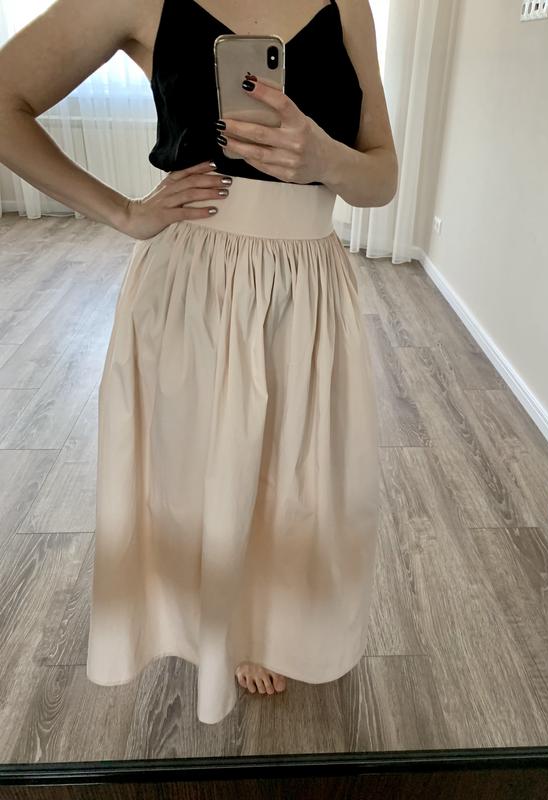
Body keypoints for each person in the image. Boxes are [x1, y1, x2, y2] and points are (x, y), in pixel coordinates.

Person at [0, 0, 398, 725]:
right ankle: (225, 624)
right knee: (207, 467)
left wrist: (323, 159)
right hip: (197, 285)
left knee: (290, 472)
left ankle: (263, 618)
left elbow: (382, 178)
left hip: (308, 289)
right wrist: (123, 212)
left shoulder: (350, 5)